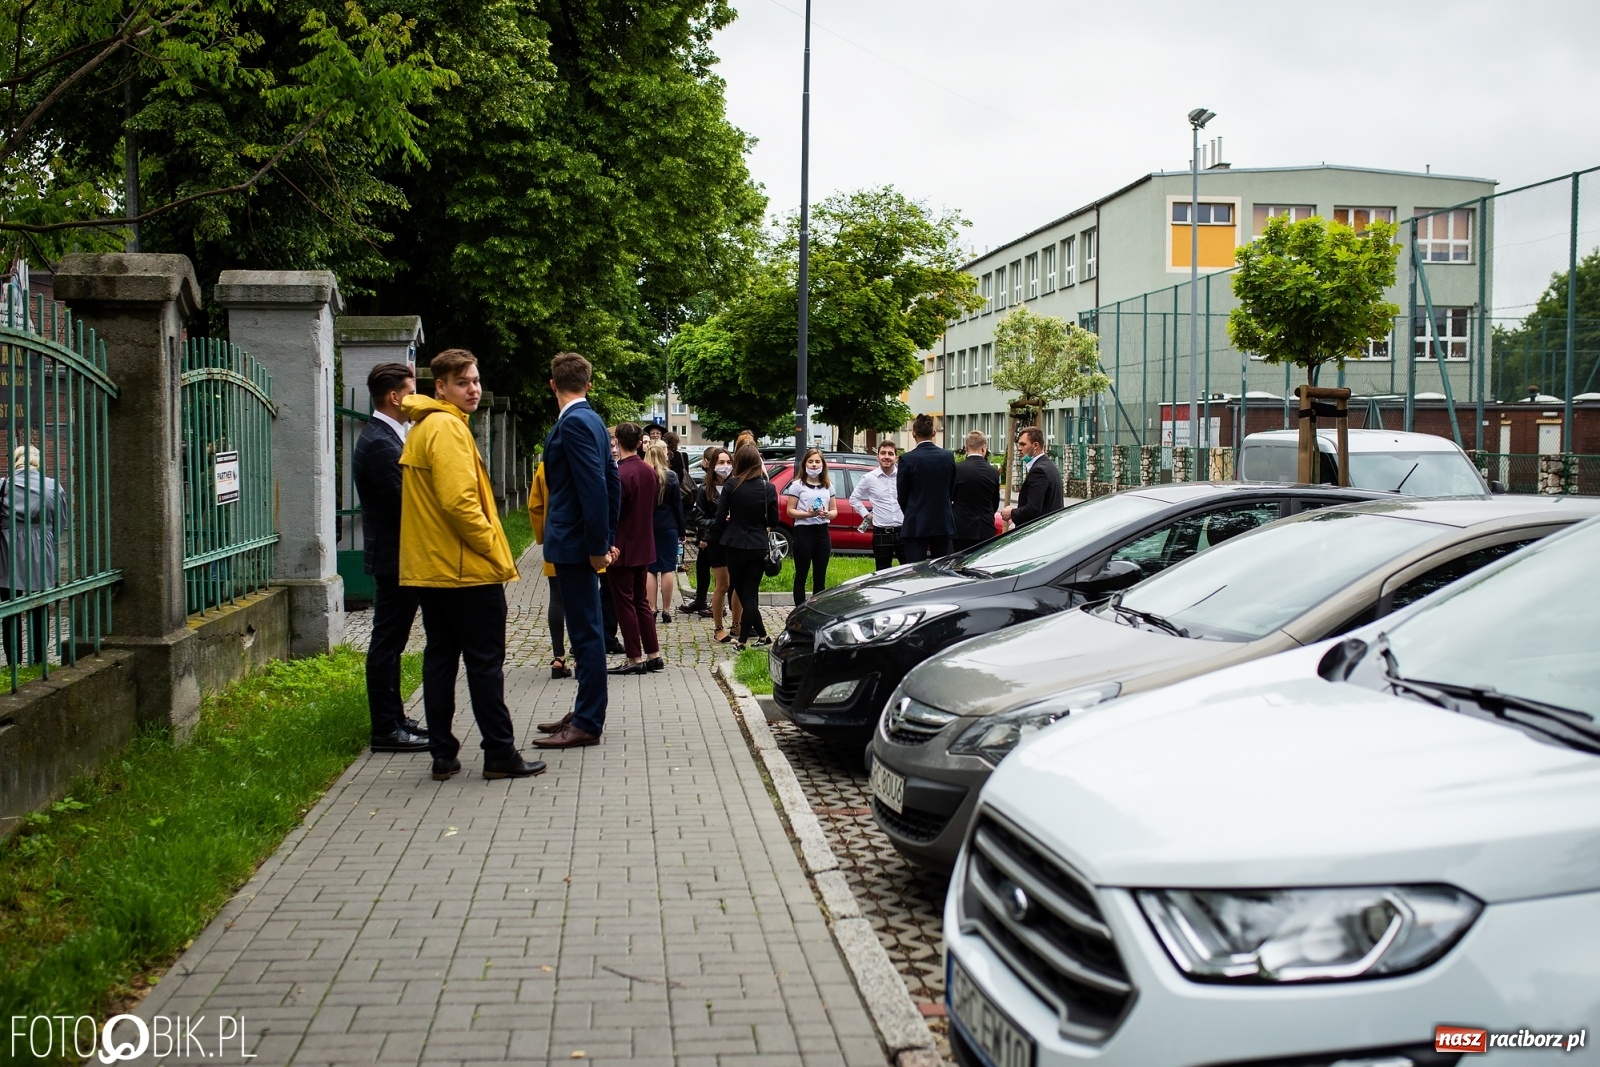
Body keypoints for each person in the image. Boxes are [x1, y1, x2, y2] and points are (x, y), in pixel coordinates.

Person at [399, 349, 544, 780]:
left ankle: (443, 754)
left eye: (476, 381)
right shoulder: (446, 428)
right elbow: (460, 503)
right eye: (463, 382)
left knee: (441, 658)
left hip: (435, 568)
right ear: (440, 386)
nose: (474, 388)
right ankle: (499, 753)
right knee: (484, 663)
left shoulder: (426, 426)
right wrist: (495, 551)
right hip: (464, 570)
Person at [534, 352, 621, 750]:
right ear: (588, 383)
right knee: (585, 629)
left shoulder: (574, 423)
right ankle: (583, 710)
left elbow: (594, 489)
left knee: (585, 633)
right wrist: (608, 539)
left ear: (553, 384)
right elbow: (611, 482)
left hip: (574, 546)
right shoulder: (595, 422)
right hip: (579, 543)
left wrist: (598, 546)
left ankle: (587, 721)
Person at [351, 362, 429, 753]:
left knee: (392, 642)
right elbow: (405, 503)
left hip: (398, 555)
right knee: (387, 642)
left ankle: (396, 718)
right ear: (396, 396)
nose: (416, 397)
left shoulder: (390, 434)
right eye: (412, 390)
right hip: (394, 558)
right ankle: (385, 727)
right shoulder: (381, 442)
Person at [604, 422, 663, 675]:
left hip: (622, 546)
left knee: (624, 603)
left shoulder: (619, 474)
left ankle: (634, 657)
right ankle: (653, 653)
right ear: (640, 442)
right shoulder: (649, 471)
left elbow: (613, 513)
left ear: (617, 441)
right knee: (641, 601)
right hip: (644, 542)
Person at [0, 445, 65, 667]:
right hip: (41, 544)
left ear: (15, 460)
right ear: (37, 461)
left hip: (8, 548)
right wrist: (47, 538)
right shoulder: (52, 485)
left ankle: (13, 663)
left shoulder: (3, 485)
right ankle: (39, 660)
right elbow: (61, 521)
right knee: (40, 603)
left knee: (10, 605)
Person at [713, 443, 778, 650]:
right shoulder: (769, 488)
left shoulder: (732, 485)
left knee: (741, 591)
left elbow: (720, 517)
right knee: (749, 593)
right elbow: (774, 521)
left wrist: (729, 522)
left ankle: (742, 642)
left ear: (739, 462)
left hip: (734, 543)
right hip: (757, 544)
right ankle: (763, 636)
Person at [526, 461, 572, 680]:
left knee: (557, 598)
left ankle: (558, 657)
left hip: (555, 540)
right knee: (583, 602)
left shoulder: (546, 467)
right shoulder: (589, 461)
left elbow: (535, 505)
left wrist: (541, 536)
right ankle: (582, 656)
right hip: (583, 544)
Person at [896, 414, 957, 563]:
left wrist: (911, 510)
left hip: (916, 522)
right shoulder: (948, 456)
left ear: (913, 434)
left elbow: (902, 495)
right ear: (934, 433)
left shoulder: (907, 459)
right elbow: (951, 489)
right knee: (941, 569)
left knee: (916, 570)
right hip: (942, 521)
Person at [693, 448, 738, 643]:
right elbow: (698, 518)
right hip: (717, 540)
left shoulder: (736, 486)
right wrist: (718, 522)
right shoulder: (705, 489)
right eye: (721, 462)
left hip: (736, 541)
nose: (725, 466)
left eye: (728, 462)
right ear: (712, 465)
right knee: (723, 584)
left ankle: (738, 624)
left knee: (737, 584)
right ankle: (718, 626)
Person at [783, 448, 836, 605]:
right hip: (803, 532)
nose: (814, 465)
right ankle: (799, 610)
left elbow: (834, 511)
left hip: (822, 533)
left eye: (817, 462)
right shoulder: (797, 485)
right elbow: (790, 511)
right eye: (810, 461)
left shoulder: (828, 485)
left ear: (823, 464)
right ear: (805, 464)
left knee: (820, 576)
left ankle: (816, 610)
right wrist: (807, 514)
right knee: (801, 575)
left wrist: (827, 514)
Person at [642, 439, 685, 624]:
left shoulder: (644, 476)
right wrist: (682, 530)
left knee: (650, 569)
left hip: (648, 526)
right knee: (668, 568)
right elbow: (678, 506)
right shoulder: (671, 477)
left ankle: (652, 608)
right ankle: (667, 609)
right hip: (668, 526)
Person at [849, 439, 905, 570]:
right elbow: (854, 498)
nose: (886, 457)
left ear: (896, 458)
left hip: (904, 531)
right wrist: (867, 515)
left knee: (908, 571)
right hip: (881, 533)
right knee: (882, 572)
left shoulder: (903, 475)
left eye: (890, 454)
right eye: (883, 453)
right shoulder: (869, 478)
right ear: (877, 457)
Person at [1001, 426, 1064, 529]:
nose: (1019, 449)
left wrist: (1012, 513)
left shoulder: (1039, 471)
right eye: (1019, 444)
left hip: (1041, 533)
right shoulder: (1048, 465)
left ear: (1035, 445)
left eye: (1023, 444)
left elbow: (1033, 509)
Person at [951, 430, 1001, 553]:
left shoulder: (956, 470)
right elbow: (994, 502)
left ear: (966, 447)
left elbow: (950, 496)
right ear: (984, 447)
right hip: (984, 529)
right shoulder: (993, 472)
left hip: (961, 528)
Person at [682, 447, 717, 616]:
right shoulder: (707, 484)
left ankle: (717, 604)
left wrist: (704, 536)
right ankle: (700, 599)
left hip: (713, 535)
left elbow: (710, 515)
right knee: (702, 567)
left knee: (718, 571)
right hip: (707, 532)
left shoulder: (712, 486)